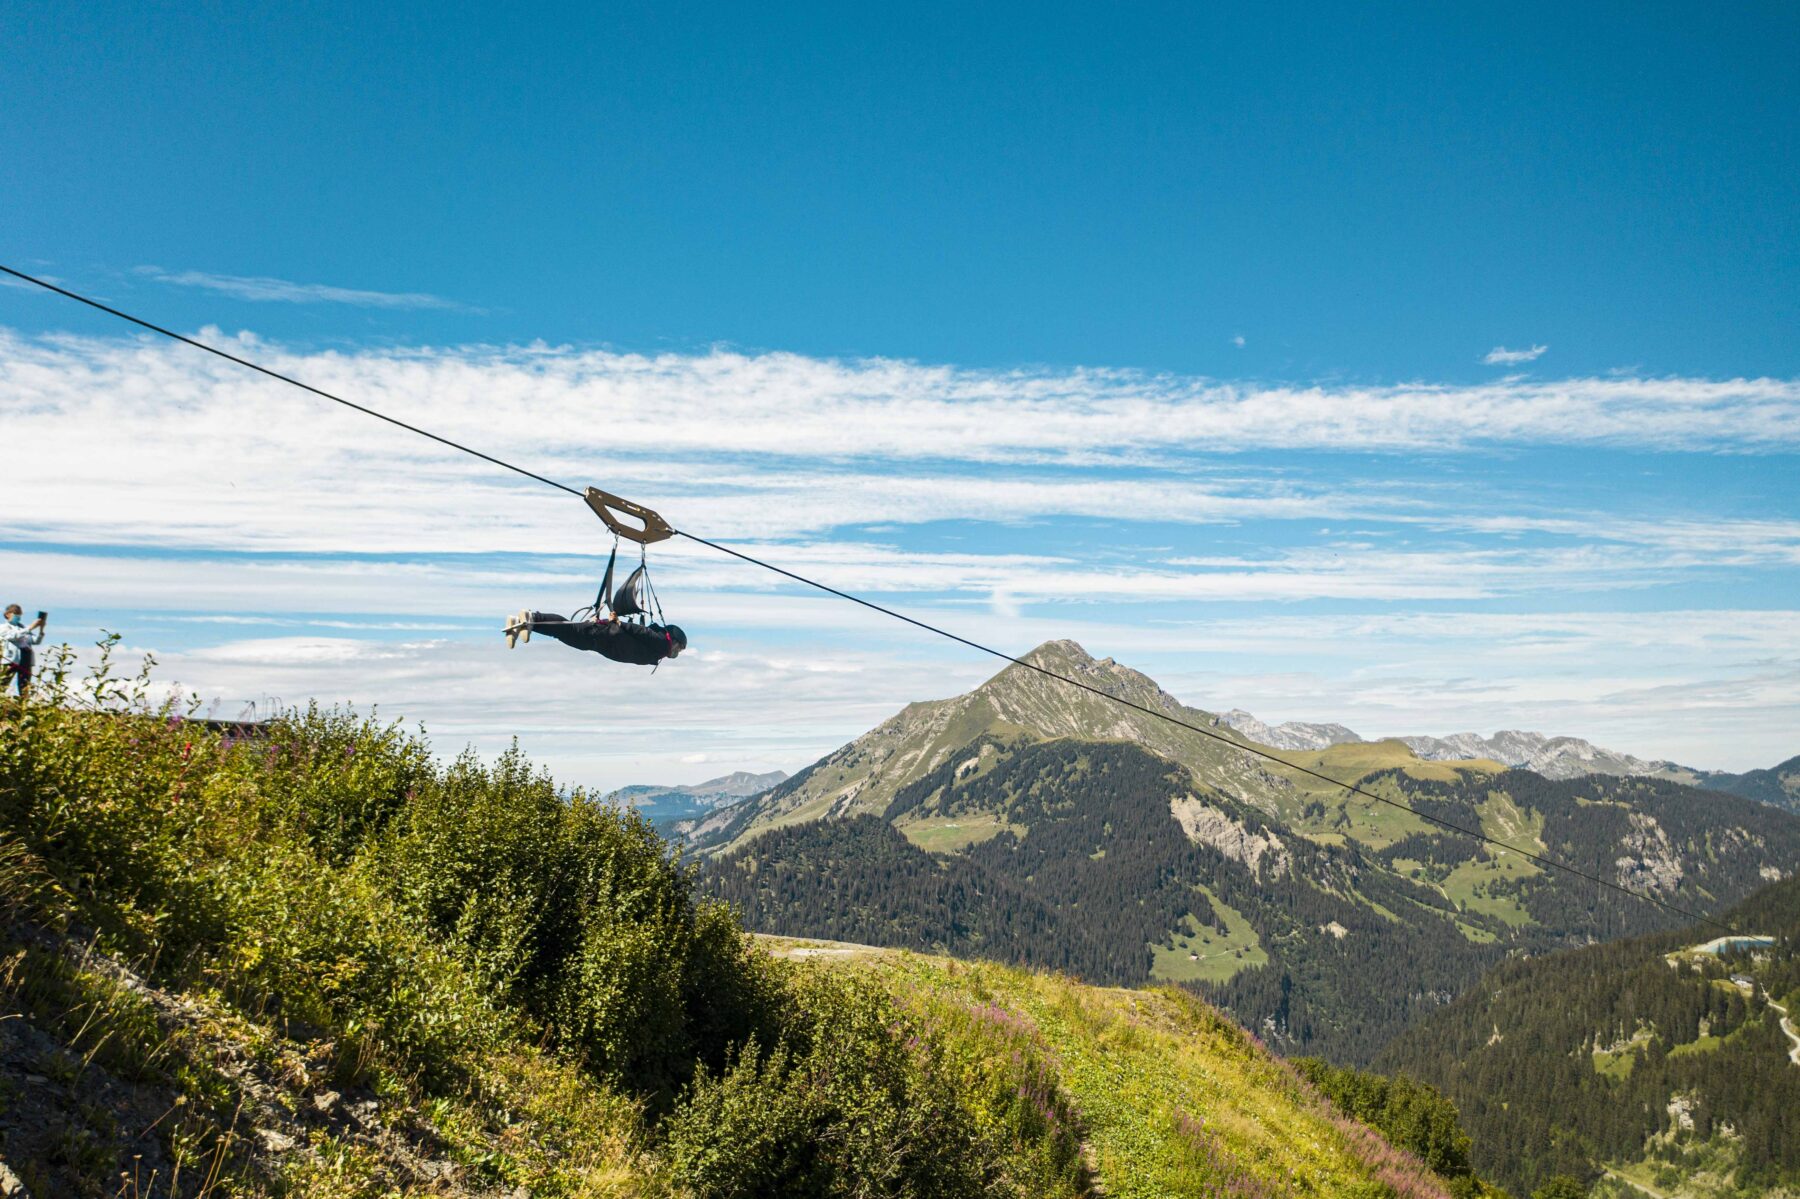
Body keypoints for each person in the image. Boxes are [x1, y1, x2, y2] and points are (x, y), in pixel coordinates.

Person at [505, 609, 686, 666]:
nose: (675, 652)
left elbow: (641, 635)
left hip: (604, 642)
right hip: (608, 637)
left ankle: (523, 623)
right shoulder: (662, 643)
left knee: (565, 634)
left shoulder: (658, 650)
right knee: (569, 631)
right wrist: (619, 623)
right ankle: (533, 617)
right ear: (674, 641)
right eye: (678, 648)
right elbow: (641, 632)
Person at [2, 605, 47, 698]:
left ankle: (23, 706)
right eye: (15, 614)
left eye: (19, 615)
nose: (18, 617)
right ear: (7, 614)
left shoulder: (23, 627)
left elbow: (36, 641)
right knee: (3, 682)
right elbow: (13, 636)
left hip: (26, 658)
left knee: (24, 685)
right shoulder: (3, 627)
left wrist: (41, 629)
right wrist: (30, 628)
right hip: (11, 659)